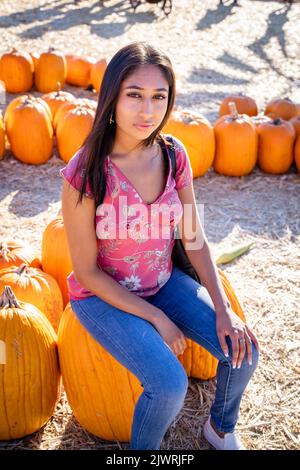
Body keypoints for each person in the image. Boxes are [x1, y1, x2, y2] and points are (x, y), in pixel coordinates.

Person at [60, 41, 260, 451]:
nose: (147, 110)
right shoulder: (86, 169)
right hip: (102, 297)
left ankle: (219, 429)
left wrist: (225, 311)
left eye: (158, 97)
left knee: (244, 351)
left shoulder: (174, 155)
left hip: (162, 282)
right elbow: (86, 272)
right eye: (134, 95)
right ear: (112, 96)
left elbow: (194, 237)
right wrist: (157, 319)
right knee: (169, 385)